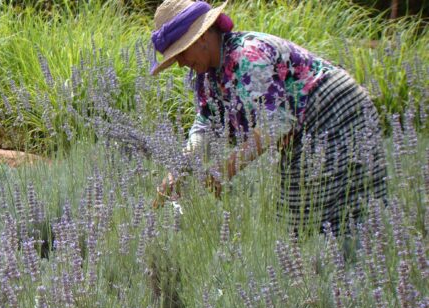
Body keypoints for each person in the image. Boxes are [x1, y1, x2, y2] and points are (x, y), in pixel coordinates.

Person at [151, 0, 387, 237]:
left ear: (201, 38)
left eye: (181, 52)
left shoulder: (246, 55)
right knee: (304, 217)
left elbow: (275, 124)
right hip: (304, 129)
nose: (180, 63)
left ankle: (353, 264)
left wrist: (224, 170)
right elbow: (206, 124)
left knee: (326, 216)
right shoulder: (206, 75)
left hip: (336, 110)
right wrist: (178, 171)